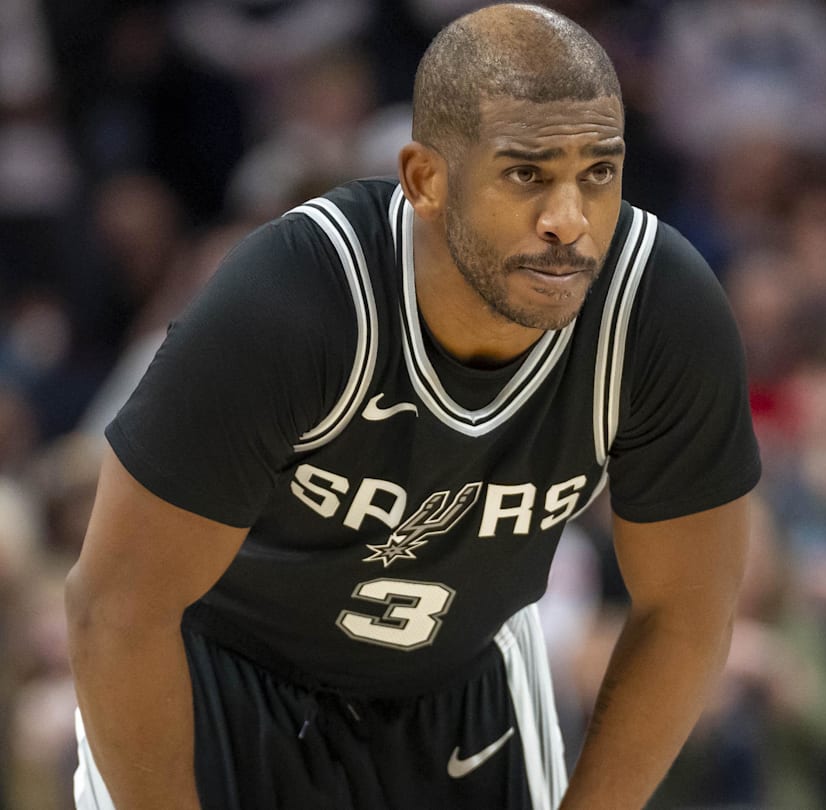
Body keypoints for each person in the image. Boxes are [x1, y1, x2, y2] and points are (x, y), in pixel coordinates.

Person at [63, 5, 761, 809]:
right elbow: (116, 608)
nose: (570, 220)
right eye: (527, 173)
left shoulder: (657, 311)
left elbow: (688, 611)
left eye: (597, 172)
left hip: (462, 689)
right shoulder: (294, 302)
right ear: (426, 179)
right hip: (218, 680)